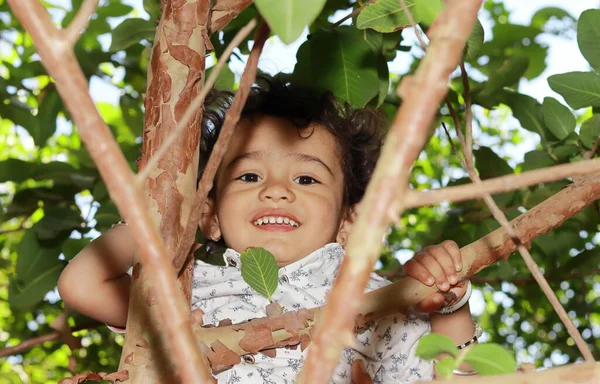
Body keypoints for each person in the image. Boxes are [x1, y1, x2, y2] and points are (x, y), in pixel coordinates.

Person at [58, 78, 479, 383]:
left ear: (350, 221)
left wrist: (449, 304)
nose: (275, 191)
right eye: (248, 176)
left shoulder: (372, 297)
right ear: (210, 218)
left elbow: (458, 374)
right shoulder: (187, 290)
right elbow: (83, 284)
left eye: (306, 179)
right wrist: (162, 215)